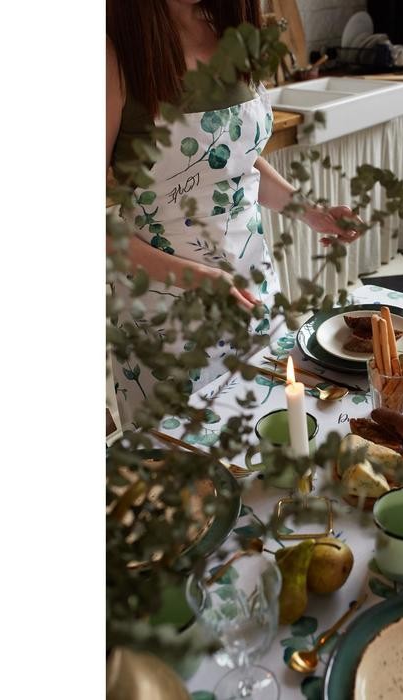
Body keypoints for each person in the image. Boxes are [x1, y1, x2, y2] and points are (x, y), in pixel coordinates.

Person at [107, 0, 360, 429]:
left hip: (252, 290)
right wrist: (199, 278)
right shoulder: (114, 53)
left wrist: (312, 212)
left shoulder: (232, 33)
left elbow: (234, 160)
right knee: (185, 451)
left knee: (266, 430)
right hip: (167, 316)